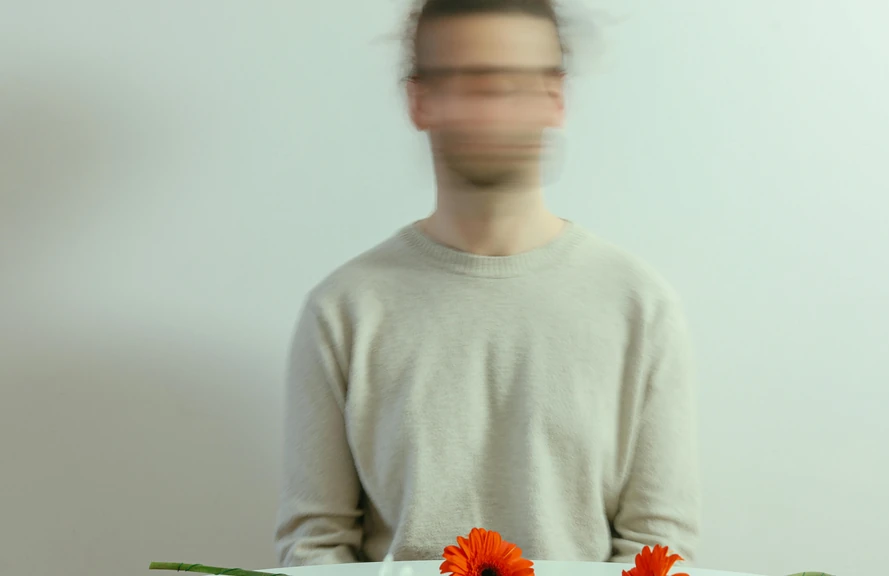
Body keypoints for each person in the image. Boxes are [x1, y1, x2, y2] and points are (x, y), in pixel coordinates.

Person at [275, 0, 700, 566]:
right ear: (420, 100)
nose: (493, 109)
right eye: (468, 83)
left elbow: (658, 549)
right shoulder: (343, 310)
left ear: (556, 97)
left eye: (515, 84)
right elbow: (315, 547)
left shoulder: (640, 307)